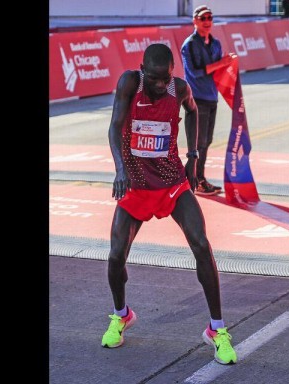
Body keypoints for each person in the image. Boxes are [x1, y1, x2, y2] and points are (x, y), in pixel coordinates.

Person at [101, 43, 237, 365]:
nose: (162, 86)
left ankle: (217, 330)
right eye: (156, 79)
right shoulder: (130, 84)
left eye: (167, 79)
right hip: (135, 184)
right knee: (116, 254)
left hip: (172, 184)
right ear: (143, 71)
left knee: (202, 245)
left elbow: (193, 111)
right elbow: (114, 125)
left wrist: (193, 156)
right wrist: (120, 169)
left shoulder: (180, 89)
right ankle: (121, 315)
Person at [181, 5, 238, 196]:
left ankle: (198, 178)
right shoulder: (189, 45)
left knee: (206, 141)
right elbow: (194, 73)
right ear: (195, 21)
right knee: (199, 143)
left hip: (212, 97)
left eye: (210, 18)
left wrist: (230, 65)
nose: (207, 22)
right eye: (203, 18)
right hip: (196, 99)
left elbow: (219, 71)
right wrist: (221, 63)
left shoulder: (215, 43)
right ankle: (195, 180)